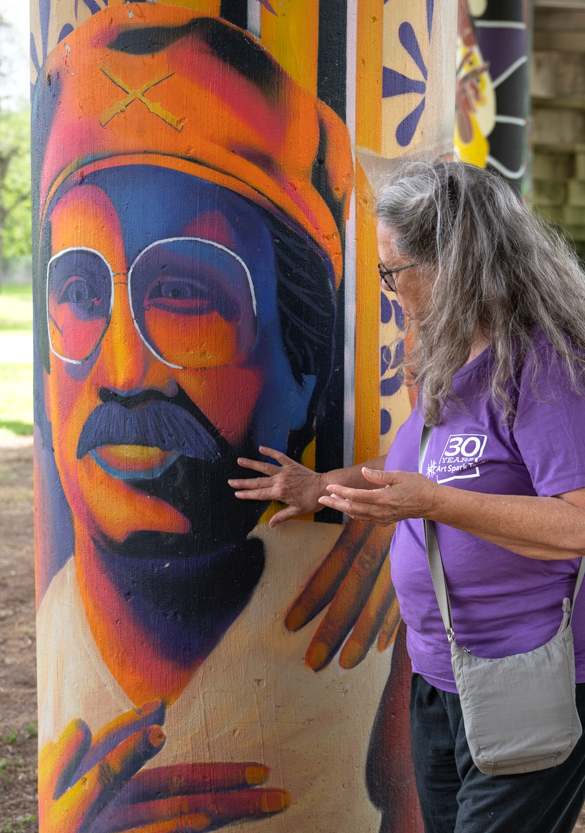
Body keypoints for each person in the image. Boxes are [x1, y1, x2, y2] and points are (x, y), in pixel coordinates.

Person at [33, 8, 405, 831]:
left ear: (306, 365)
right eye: (79, 296)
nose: (124, 373)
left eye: (186, 295)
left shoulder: (361, 600)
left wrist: (410, 519)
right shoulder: (56, 623)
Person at [232, 160, 585, 833]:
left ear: (453, 264)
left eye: (394, 269)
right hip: (444, 667)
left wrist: (433, 504)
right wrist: (319, 487)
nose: (388, 287)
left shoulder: (544, 366)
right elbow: (421, 469)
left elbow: (581, 524)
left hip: (540, 660)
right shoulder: (453, 355)